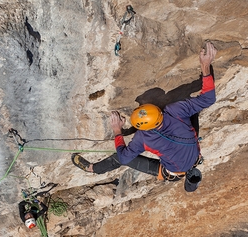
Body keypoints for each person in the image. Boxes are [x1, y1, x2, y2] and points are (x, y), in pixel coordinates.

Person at [72, 41, 217, 192]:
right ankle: (91, 168)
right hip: (189, 156)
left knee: (121, 159)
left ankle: (92, 169)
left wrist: (117, 132)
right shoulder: (175, 112)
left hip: (174, 169)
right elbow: (208, 99)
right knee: (193, 111)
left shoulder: (144, 138)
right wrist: (205, 65)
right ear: (159, 111)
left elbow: (123, 158)